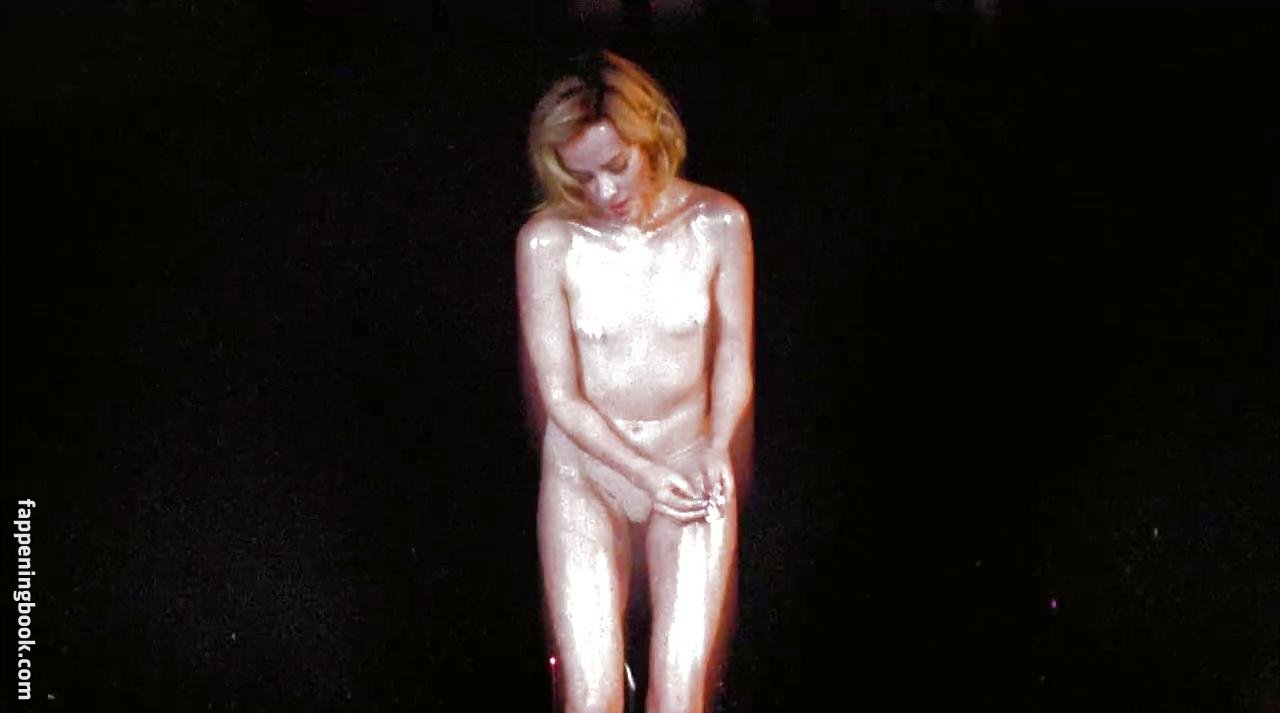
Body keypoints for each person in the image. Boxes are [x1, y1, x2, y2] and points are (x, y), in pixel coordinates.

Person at [516, 50, 754, 713]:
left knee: (679, 696)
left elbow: (735, 355)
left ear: (651, 138)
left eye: (616, 166)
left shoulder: (719, 222)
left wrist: (716, 446)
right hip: (587, 474)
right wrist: (641, 474)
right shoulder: (546, 242)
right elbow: (560, 395)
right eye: (581, 176)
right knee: (592, 697)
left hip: (687, 461)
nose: (603, 193)